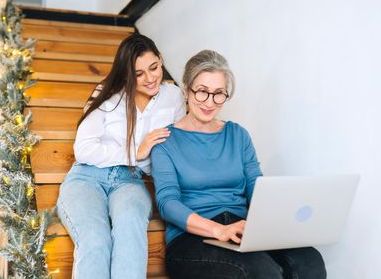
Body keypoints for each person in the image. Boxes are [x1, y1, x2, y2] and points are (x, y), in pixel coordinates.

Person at [151, 50, 326, 279]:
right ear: (186, 89)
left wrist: (276, 225)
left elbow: (256, 186)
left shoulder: (238, 135)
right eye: (202, 92)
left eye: (219, 94)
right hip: (191, 238)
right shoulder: (165, 142)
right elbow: (167, 203)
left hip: (241, 228)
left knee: (309, 262)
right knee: (261, 272)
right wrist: (217, 229)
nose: (210, 102)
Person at [57, 34, 186, 279]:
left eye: (154, 68)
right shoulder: (107, 94)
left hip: (130, 180)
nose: (150, 79)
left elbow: (175, 148)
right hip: (87, 177)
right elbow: (84, 149)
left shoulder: (174, 97)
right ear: (127, 73)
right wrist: (135, 152)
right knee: (95, 238)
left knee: (130, 228)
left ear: (160, 60)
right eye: (139, 74)